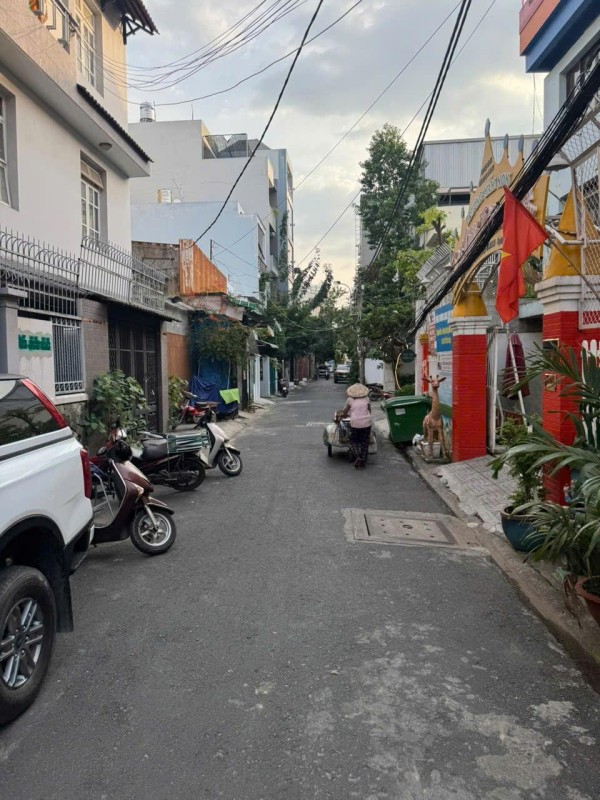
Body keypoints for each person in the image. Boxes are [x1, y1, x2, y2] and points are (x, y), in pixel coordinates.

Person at [342, 383, 372, 469]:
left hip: (355, 423)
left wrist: (345, 414)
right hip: (366, 422)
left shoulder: (350, 399)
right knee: (365, 441)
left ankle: (358, 457)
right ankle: (363, 460)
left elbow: (345, 411)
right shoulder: (367, 398)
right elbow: (369, 410)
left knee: (353, 440)